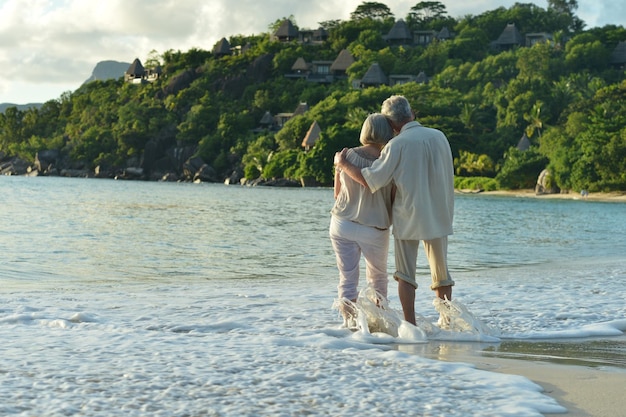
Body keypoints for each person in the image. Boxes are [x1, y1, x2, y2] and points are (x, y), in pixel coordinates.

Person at [334, 95, 455, 326]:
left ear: (391, 124)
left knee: (405, 276)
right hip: (440, 212)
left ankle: (411, 326)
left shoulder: (396, 145)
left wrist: (344, 164)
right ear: (412, 113)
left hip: (408, 216)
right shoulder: (440, 136)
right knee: (441, 274)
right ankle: (447, 321)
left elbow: (371, 180)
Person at [329, 113, 395, 326]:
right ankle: (379, 324)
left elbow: (337, 195)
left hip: (342, 223)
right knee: (378, 280)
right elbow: (394, 199)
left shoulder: (345, 155)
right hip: (374, 227)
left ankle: (348, 325)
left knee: (347, 278)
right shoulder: (388, 161)